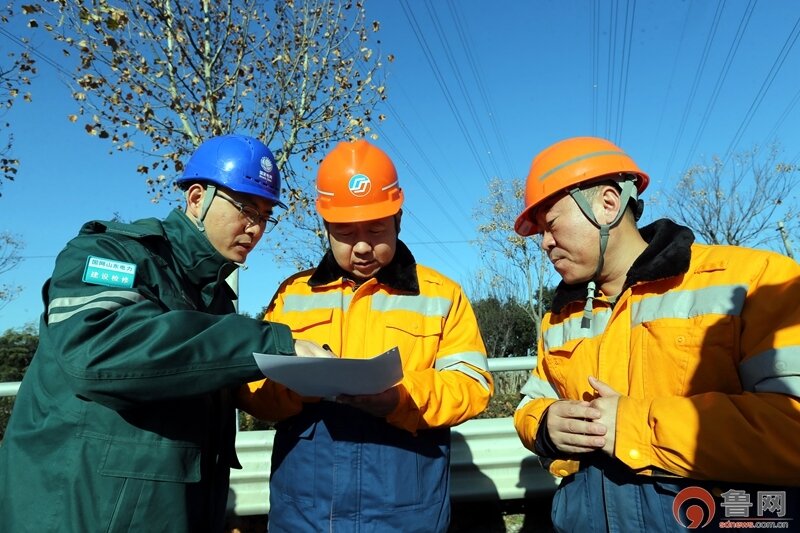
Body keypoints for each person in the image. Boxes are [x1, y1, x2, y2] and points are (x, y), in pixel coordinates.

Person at [0, 134, 329, 532]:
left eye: (265, 216)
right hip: (81, 514)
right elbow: (101, 350)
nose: (255, 228)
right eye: (246, 209)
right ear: (197, 198)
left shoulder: (215, 298)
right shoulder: (113, 253)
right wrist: (272, 342)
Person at [512, 136, 800, 532]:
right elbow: (532, 403)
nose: (545, 243)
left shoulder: (754, 280)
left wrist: (635, 426)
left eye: (552, 225)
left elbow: (791, 428)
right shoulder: (559, 317)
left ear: (608, 204)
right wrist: (544, 426)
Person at [238, 139, 494, 532]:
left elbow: (471, 385)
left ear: (398, 219)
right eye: (344, 232)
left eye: (376, 229)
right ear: (326, 227)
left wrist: (400, 397)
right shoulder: (293, 295)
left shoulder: (441, 295)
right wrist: (298, 388)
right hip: (305, 512)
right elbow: (252, 389)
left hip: (407, 511)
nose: (361, 246)